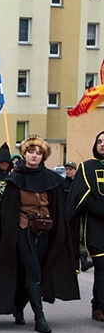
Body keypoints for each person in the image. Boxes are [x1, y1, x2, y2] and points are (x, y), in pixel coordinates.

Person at [0, 135, 80, 333]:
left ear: (43, 156)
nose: (34, 156)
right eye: (30, 152)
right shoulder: (15, 180)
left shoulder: (53, 179)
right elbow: (7, 211)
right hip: (21, 231)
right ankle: (39, 317)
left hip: (45, 232)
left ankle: (19, 307)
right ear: (24, 154)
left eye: (38, 153)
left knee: (34, 271)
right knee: (33, 270)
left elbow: (59, 209)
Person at [67, 131, 104, 322]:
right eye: (99, 141)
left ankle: (97, 307)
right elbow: (81, 197)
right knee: (102, 266)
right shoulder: (87, 167)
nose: (103, 144)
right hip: (96, 227)